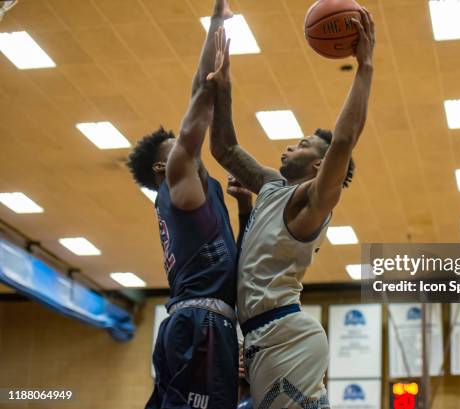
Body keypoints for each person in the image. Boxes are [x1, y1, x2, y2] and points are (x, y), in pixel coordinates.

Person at [207, 8, 375, 408]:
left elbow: (344, 139)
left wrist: (365, 65)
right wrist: (223, 87)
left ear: (319, 166)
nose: (288, 147)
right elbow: (224, 149)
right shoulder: (269, 186)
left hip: (285, 335)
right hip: (262, 334)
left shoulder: (313, 202)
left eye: (301, 145)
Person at [126, 1, 240, 407]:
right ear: (163, 164)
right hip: (199, 323)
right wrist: (213, 78)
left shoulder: (192, 184)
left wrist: (215, 27)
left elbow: (198, 95)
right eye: (178, 145)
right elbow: (198, 105)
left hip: (197, 321)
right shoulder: (177, 175)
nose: (187, 146)